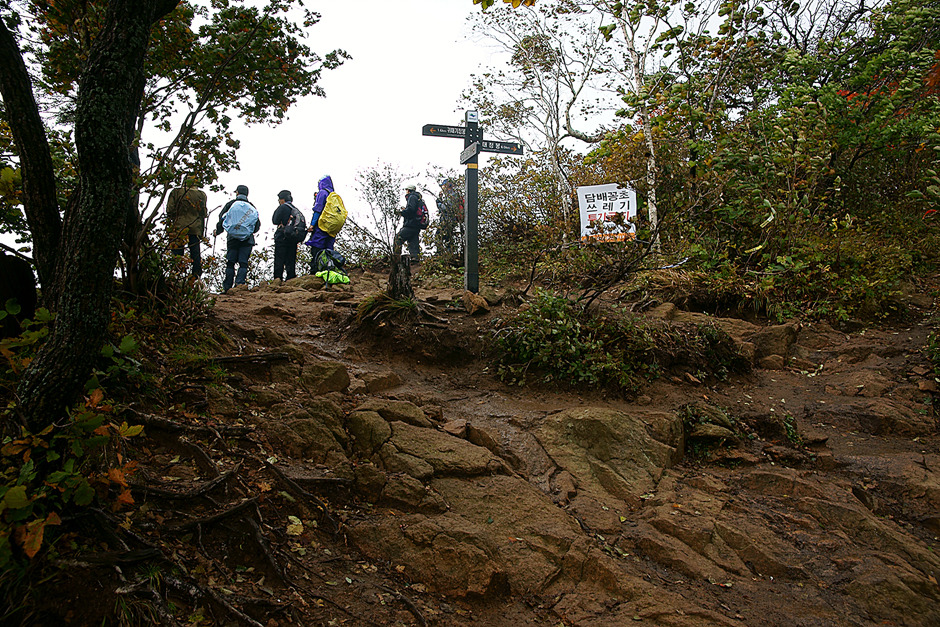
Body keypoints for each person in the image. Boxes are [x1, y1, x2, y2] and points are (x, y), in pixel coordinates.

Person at [214, 184, 260, 292]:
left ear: (237, 193)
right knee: (243, 263)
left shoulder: (230, 204)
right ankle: (239, 286)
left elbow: (222, 218)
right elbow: (257, 225)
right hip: (247, 240)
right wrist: (248, 232)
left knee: (230, 263)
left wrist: (218, 231)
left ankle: (227, 288)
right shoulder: (251, 207)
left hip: (232, 239)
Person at [166, 179, 207, 277]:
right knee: (195, 254)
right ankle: (196, 277)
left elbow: (169, 210)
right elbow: (203, 213)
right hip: (195, 229)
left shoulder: (176, 192)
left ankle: (176, 275)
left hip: (179, 227)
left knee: (177, 255)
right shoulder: (201, 195)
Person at [305, 175, 339, 274]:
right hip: (331, 227)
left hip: (321, 226)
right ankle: (328, 271)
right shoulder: (333, 195)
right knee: (328, 250)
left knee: (317, 248)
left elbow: (318, 210)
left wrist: (312, 225)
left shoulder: (322, 193)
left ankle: (315, 272)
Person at [272, 189, 300, 281]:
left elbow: (275, 220)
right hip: (293, 237)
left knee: (279, 259)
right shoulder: (295, 209)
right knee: (291, 259)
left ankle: (278, 279)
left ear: (282, 199)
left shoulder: (282, 207)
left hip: (282, 236)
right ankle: (291, 279)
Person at [436, 178, 464, 264]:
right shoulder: (451, 195)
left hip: (448, 219)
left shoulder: (452, 195)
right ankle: (448, 254)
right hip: (450, 219)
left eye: (443, 185)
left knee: (440, 235)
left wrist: (439, 203)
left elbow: (447, 207)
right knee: (448, 236)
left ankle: (443, 254)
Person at [395, 183, 422, 260]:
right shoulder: (418, 198)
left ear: (408, 190)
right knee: (413, 244)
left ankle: (396, 258)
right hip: (417, 225)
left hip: (411, 225)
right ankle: (415, 260)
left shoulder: (412, 197)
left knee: (398, 238)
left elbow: (411, 210)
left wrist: (401, 212)